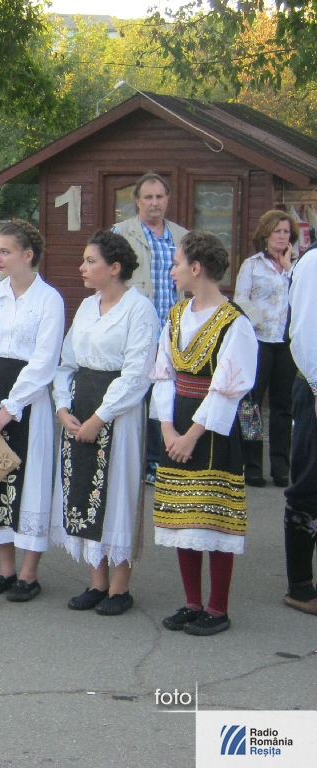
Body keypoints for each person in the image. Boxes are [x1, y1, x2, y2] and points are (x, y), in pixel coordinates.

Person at [151, 231, 258, 636]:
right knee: (183, 515)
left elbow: (227, 389)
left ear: (196, 268)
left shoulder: (235, 323)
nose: (172, 270)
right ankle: (192, 602)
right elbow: (163, 373)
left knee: (214, 518)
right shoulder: (177, 315)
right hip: (177, 420)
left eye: (177, 263)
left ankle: (217, 608)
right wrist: (167, 428)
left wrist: (191, 435)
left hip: (213, 430)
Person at [49, 230, 158, 615]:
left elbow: (137, 373)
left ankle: (120, 587)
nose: (82, 267)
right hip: (81, 406)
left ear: (115, 268)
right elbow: (66, 363)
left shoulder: (139, 309)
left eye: (90, 261)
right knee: (83, 489)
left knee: (117, 492)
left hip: (118, 415)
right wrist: (63, 407)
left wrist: (100, 417)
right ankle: (97, 581)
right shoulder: (86, 306)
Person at [0, 220, 65, 603]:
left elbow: (45, 360)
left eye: (5, 251)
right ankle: (5, 568)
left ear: (27, 255)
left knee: (29, 480)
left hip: (27, 402)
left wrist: (10, 407)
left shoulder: (49, 299)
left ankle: (29, 574)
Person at [112, 173, 189, 484]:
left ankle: (158, 461)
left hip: (171, 333)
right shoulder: (121, 234)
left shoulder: (182, 236)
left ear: (167, 199)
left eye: (159, 197)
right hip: (135, 331)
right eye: (148, 197)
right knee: (134, 393)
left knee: (164, 396)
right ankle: (133, 460)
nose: (154, 203)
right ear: (137, 201)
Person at [234, 210, 299, 488]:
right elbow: (241, 300)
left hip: (286, 342)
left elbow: (303, 298)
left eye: (286, 232)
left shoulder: (296, 268)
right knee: (251, 405)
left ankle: (281, 466)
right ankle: (252, 465)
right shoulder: (252, 265)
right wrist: (257, 321)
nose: (282, 237)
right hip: (258, 341)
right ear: (265, 234)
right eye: (277, 232)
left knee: (283, 407)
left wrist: (289, 268)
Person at [285, 241, 317, 615]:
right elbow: (306, 330)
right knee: (310, 482)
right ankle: (300, 584)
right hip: (313, 385)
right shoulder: (313, 263)